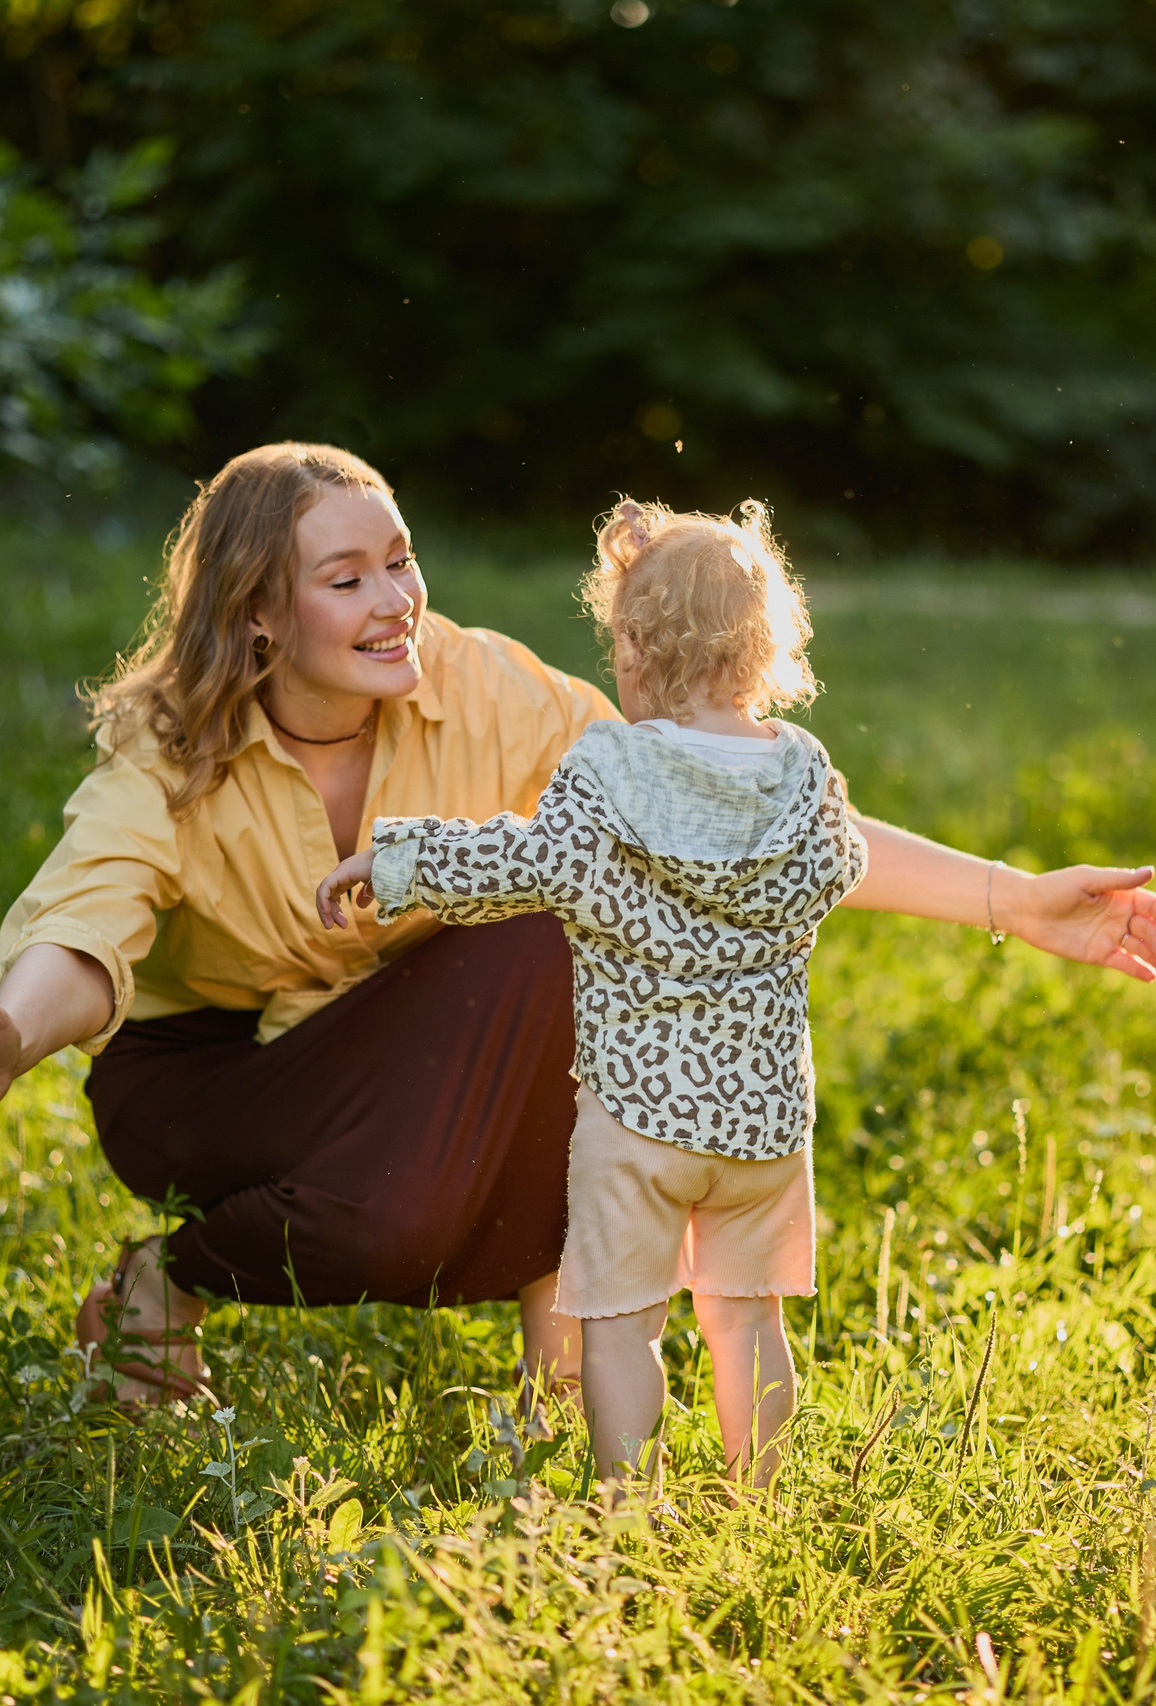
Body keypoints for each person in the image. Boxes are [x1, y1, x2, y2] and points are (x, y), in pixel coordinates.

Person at [0, 442, 1156, 1408]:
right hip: (206, 1081)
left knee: (566, 921)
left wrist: (1017, 898)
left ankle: (562, 1334)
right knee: (406, 1192)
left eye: (400, 561)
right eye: (347, 579)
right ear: (262, 613)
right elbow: (88, 921)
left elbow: (710, 815)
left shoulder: (481, 683)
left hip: (406, 1063)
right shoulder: (172, 748)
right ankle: (172, 1277)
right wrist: (16, 1034)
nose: (396, 602)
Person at [320, 496, 852, 1487]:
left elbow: (523, 862)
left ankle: (628, 1505)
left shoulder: (606, 767)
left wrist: (394, 864)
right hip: (765, 1118)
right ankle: (766, 1501)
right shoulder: (803, 773)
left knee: (617, 1322)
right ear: (766, 652)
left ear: (638, 653)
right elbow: (840, 865)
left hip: (639, 1118)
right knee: (747, 1315)